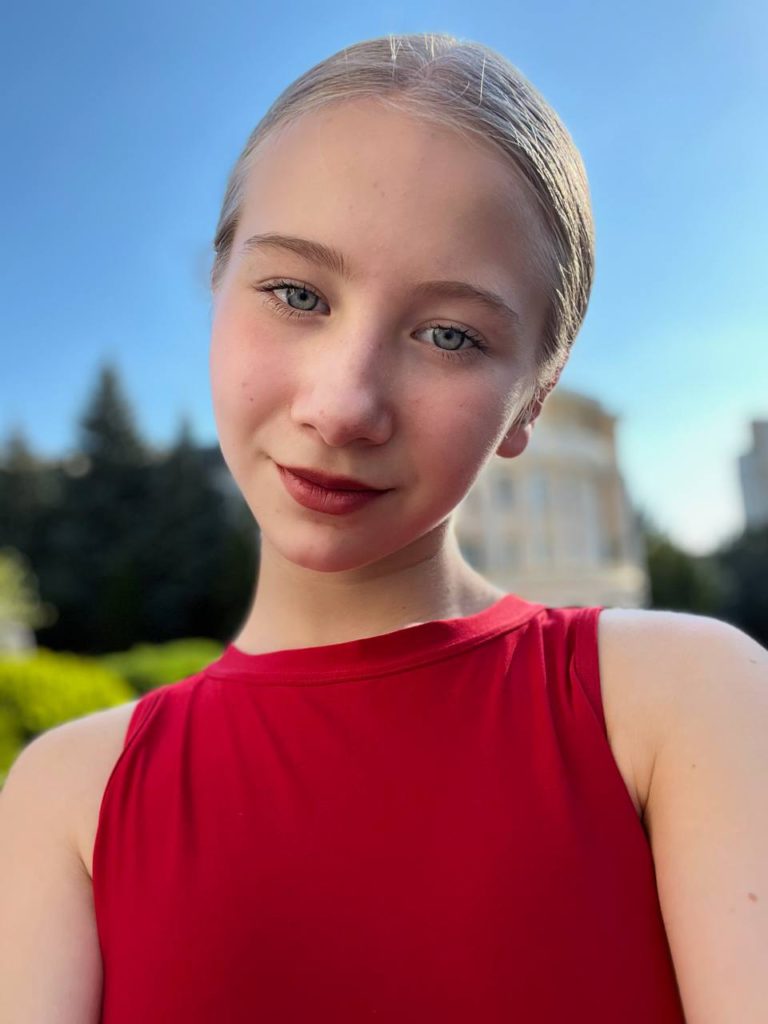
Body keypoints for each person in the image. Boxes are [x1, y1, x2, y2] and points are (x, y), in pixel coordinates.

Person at [1, 32, 766, 1024]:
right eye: (297, 294)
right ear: (217, 284)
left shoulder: (689, 707)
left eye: (449, 334)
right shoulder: (67, 798)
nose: (343, 406)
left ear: (531, 400)